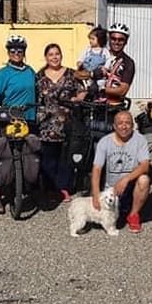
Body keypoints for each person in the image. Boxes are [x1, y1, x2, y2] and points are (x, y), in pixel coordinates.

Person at [0, 34, 37, 214]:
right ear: (8, 52)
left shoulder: (30, 72)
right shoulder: (4, 73)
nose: (16, 53)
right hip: (7, 118)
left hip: (27, 118)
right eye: (12, 50)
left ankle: (26, 185)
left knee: (30, 152)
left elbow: (37, 92)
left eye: (20, 50)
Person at [36, 43, 86, 204]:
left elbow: (82, 91)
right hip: (47, 123)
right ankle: (50, 188)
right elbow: (36, 99)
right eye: (51, 54)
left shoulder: (72, 74)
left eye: (57, 54)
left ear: (61, 55)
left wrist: (78, 98)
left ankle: (64, 187)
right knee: (48, 157)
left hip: (68, 121)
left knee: (65, 157)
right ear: (46, 57)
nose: (54, 57)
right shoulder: (39, 76)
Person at [89, 110, 151, 233]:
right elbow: (96, 169)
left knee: (144, 180)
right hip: (110, 188)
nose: (124, 126)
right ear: (114, 126)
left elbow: (145, 166)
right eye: (120, 123)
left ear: (133, 125)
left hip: (130, 185)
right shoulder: (105, 142)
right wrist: (95, 195)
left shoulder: (140, 140)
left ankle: (133, 215)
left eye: (128, 123)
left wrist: (126, 179)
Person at [99, 22, 136, 106]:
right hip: (93, 104)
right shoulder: (99, 55)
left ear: (126, 42)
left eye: (121, 39)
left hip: (113, 106)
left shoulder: (128, 62)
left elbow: (122, 90)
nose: (116, 42)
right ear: (109, 39)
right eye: (113, 38)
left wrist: (100, 89)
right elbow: (80, 73)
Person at [75, 26, 108, 93]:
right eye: (90, 39)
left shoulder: (104, 51)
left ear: (100, 40)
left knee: (101, 83)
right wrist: (79, 62)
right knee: (87, 84)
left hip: (99, 75)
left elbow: (108, 60)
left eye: (93, 39)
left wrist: (105, 67)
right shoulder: (88, 50)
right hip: (88, 73)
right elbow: (81, 57)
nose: (90, 41)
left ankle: (100, 91)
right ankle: (87, 90)